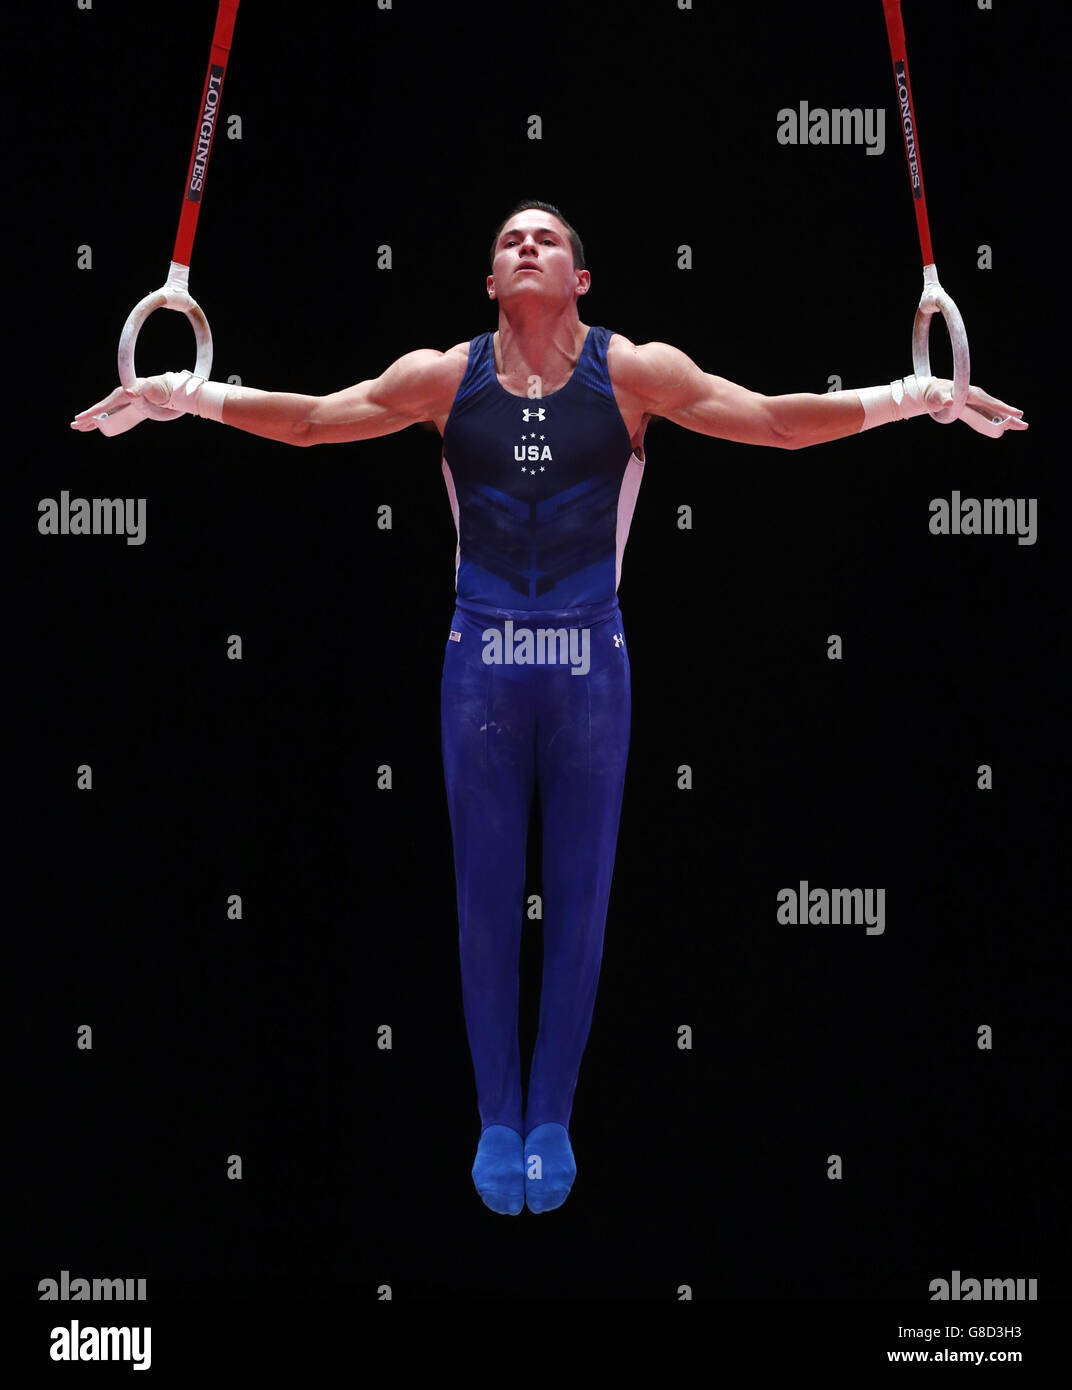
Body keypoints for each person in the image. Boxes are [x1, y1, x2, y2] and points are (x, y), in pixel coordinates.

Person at [71, 199, 1027, 1217]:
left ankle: (553, 1115)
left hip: (589, 669)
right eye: (508, 242)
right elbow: (310, 419)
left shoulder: (636, 373)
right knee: (485, 901)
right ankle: (495, 1117)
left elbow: (778, 423)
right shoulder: (444, 377)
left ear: (579, 279)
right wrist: (187, 392)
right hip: (479, 662)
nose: (526, 247)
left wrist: (911, 393)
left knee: (578, 898)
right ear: (490, 284)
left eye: (548, 240)